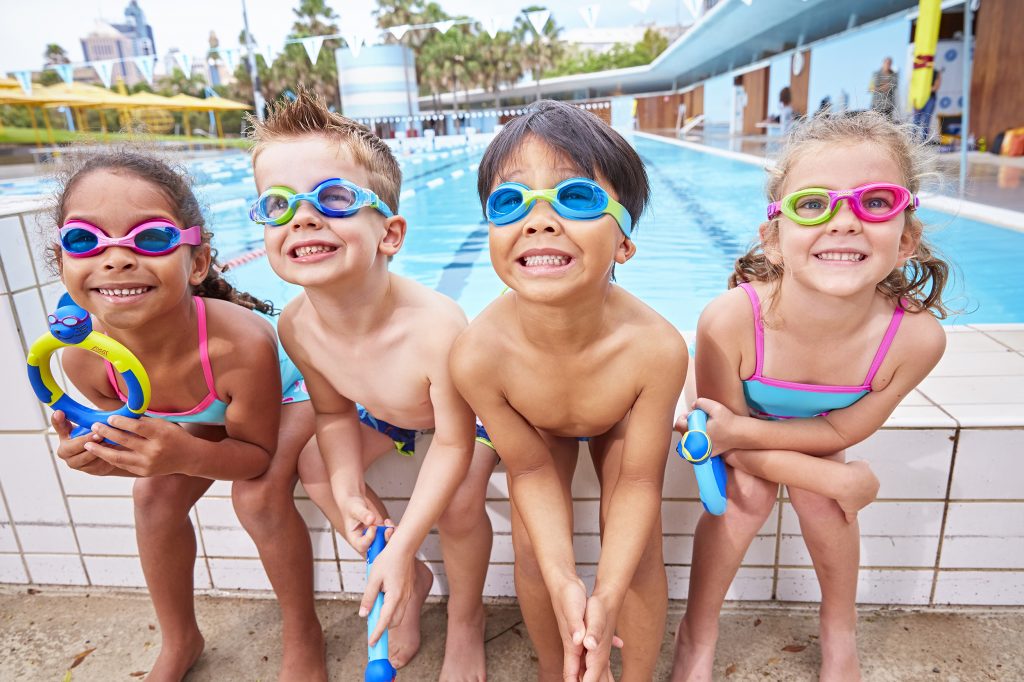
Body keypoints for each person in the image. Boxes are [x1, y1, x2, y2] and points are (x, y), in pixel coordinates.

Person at [670, 111, 951, 682]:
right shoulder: (730, 320)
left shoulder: (914, 339)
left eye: (875, 203)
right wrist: (835, 477)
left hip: (802, 432)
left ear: (906, 241)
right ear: (774, 240)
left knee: (824, 503)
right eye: (812, 204)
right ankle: (697, 633)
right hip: (721, 423)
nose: (844, 222)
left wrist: (822, 473)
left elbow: (841, 433)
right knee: (748, 494)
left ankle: (838, 631)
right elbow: (716, 436)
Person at [49, 149, 329, 681]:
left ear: (196, 262)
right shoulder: (84, 357)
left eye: (150, 238)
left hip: (289, 396)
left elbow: (253, 456)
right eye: (85, 240)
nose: (115, 258)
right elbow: (139, 445)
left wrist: (183, 453)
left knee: (258, 495)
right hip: (213, 416)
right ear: (63, 261)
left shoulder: (236, 342)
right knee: (152, 495)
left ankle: (302, 630)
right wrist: (105, 456)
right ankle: (180, 638)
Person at [247, 89, 498, 679]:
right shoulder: (296, 326)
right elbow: (333, 416)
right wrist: (346, 482)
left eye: (331, 198)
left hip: (470, 420)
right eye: (277, 204)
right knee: (315, 464)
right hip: (391, 415)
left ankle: (465, 618)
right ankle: (406, 583)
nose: (303, 217)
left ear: (390, 235)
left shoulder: (435, 327)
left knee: (461, 499)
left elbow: (456, 443)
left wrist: (407, 535)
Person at [451, 99, 688, 681]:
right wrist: (566, 582)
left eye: (575, 197)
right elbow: (528, 471)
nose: (539, 220)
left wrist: (603, 594)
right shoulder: (479, 355)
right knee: (534, 553)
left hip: (620, 414)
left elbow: (637, 481)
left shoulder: (654, 348)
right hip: (538, 422)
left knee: (635, 555)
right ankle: (562, 671)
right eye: (511, 202)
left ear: (625, 243)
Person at [912, 69, 942, 141]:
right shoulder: (919, 72)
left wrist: (924, 89)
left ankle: (923, 142)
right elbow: (914, 87)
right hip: (919, 98)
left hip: (930, 99)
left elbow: (935, 87)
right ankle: (911, 140)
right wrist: (914, 100)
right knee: (916, 120)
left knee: (926, 121)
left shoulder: (935, 72)